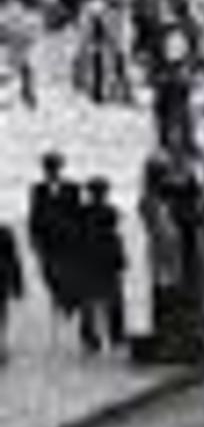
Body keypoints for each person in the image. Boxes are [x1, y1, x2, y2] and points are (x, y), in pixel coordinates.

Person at [28, 151, 82, 335]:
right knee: (49, 274)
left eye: (53, 167)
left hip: (67, 241)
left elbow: (76, 214)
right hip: (47, 241)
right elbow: (34, 216)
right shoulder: (37, 189)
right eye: (48, 167)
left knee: (65, 273)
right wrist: (34, 239)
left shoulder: (72, 188)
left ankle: (68, 302)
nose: (51, 171)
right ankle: (62, 299)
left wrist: (77, 237)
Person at [76, 178, 127, 354]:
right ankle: (115, 335)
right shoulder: (111, 212)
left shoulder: (82, 213)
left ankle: (90, 337)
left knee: (89, 302)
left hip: (88, 260)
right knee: (113, 300)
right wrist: (121, 260)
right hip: (106, 260)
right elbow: (115, 237)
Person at [0, 221, 23, 365]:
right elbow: (14, 261)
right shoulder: (5, 233)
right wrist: (17, 285)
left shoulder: (5, 233)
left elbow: (14, 261)